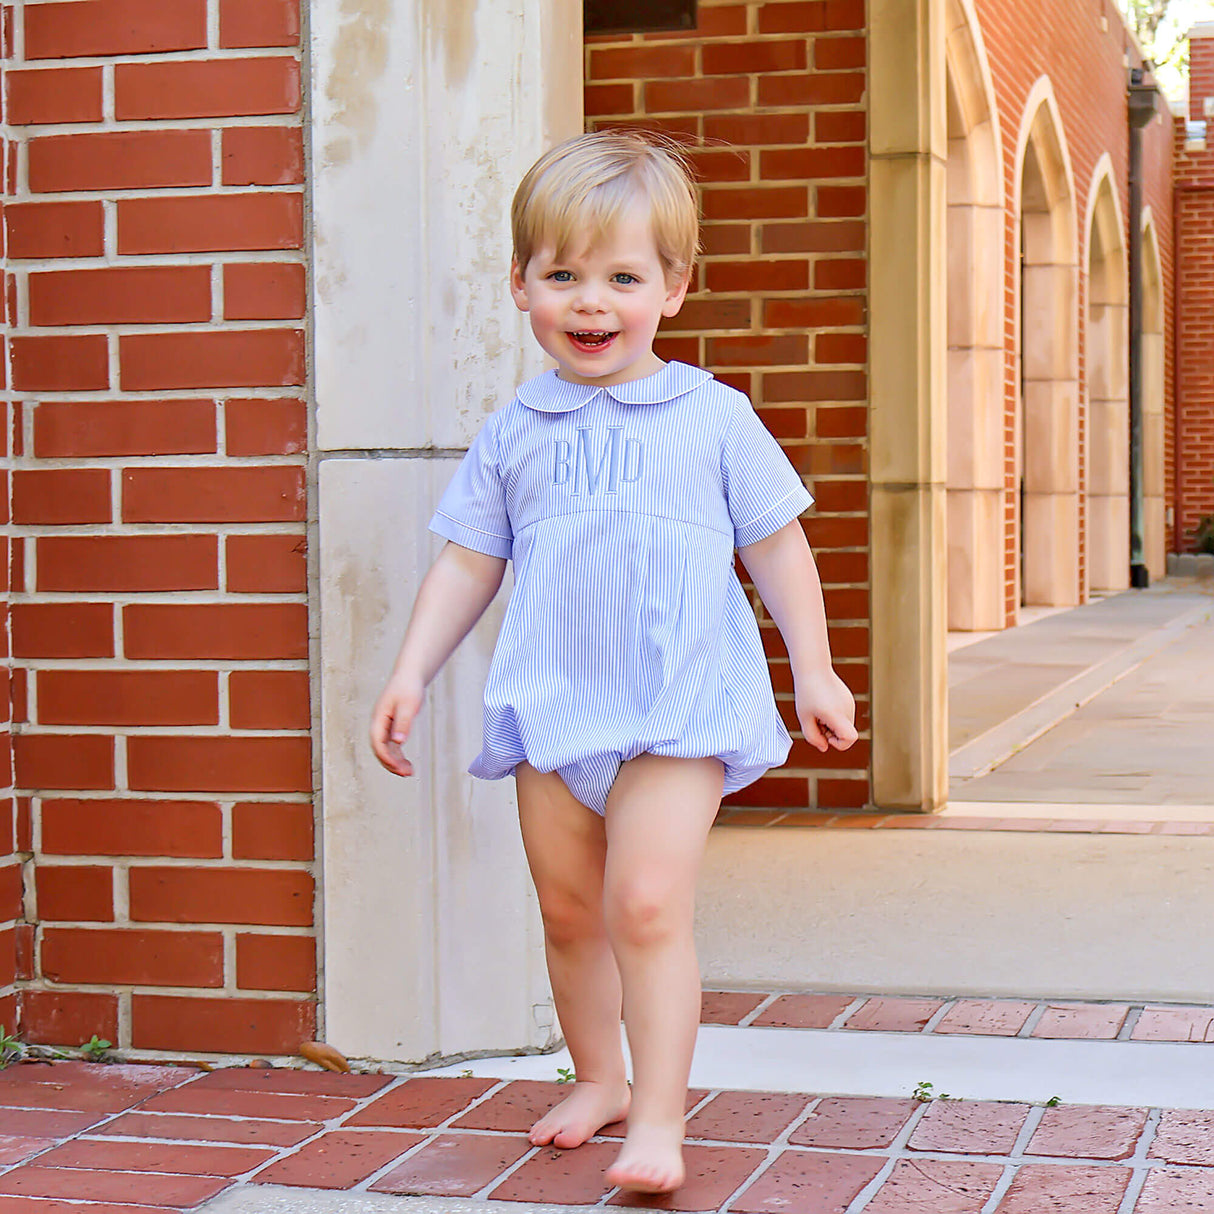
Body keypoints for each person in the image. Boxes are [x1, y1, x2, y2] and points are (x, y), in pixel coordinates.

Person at [370, 130, 858, 1195]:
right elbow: (469, 560)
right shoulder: (516, 431)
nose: (591, 302)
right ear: (520, 285)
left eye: (623, 278)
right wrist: (411, 671)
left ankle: (660, 1115)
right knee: (568, 912)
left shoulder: (714, 417)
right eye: (563, 276)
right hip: (555, 707)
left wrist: (812, 668)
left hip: (678, 708)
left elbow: (777, 546)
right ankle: (598, 1077)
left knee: (643, 904)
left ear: (673, 288)